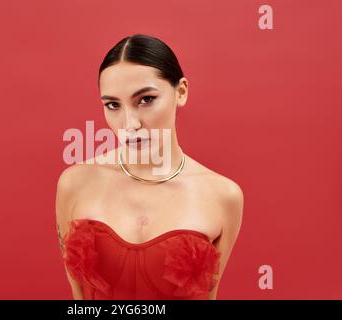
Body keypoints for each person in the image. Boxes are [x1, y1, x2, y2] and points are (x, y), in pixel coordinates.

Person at [56, 34, 244, 299]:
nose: (129, 124)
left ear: (181, 92)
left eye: (145, 100)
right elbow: (79, 299)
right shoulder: (75, 184)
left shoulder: (223, 195)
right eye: (113, 105)